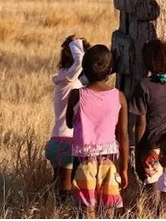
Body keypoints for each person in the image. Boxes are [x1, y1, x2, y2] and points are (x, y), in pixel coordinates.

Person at [66, 44, 129, 218]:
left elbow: (69, 124)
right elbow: (123, 135)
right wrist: (123, 169)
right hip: (109, 163)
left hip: (83, 162)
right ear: (110, 70)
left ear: (84, 69)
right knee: (108, 209)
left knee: (86, 209)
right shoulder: (119, 96)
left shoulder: (76, 95)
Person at [129, 39, 166, 189]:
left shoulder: (144, 86)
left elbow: (141, 123)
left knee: (153, 194)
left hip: (152, 145)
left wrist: (139, 151)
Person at [45, 34, 90, 201]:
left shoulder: (68, 79)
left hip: (57, 141)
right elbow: (80, 63)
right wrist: (75, 43)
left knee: (58, 186)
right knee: (65, 190)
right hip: (68, 141)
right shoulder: (69, 79)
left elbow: (89, 78)